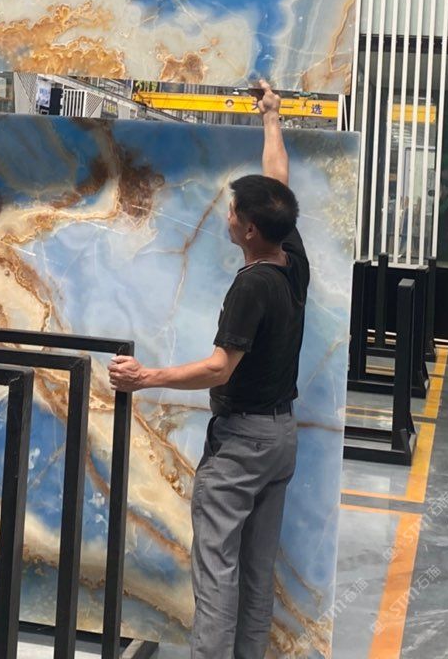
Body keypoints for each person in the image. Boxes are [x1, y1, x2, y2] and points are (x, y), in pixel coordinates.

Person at [108, 79, 308, 659]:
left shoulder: (252, 286)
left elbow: (220, 368)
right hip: (281, 438)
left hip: (242, 444)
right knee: (257, 571)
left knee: (217, 573)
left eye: (233, 211)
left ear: (248, 229)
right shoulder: (291, 261)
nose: (228, 214)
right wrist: (271, 116)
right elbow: (278, 182)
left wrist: (145, 378)